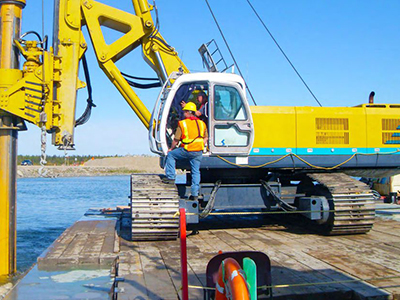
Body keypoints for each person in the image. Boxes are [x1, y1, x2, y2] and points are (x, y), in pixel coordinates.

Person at [162, 102, 208, 201]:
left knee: (171, 155)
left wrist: (171, 148)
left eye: (184, 112)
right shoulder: (202, 123)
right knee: (195, 172)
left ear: (188, 112)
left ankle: (170, 178)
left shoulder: (183, 124)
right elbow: (206, 137)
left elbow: (176, 139)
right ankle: (194, 194)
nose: (183, 113)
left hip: (187, 150)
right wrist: (201, 145)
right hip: (198, 151)